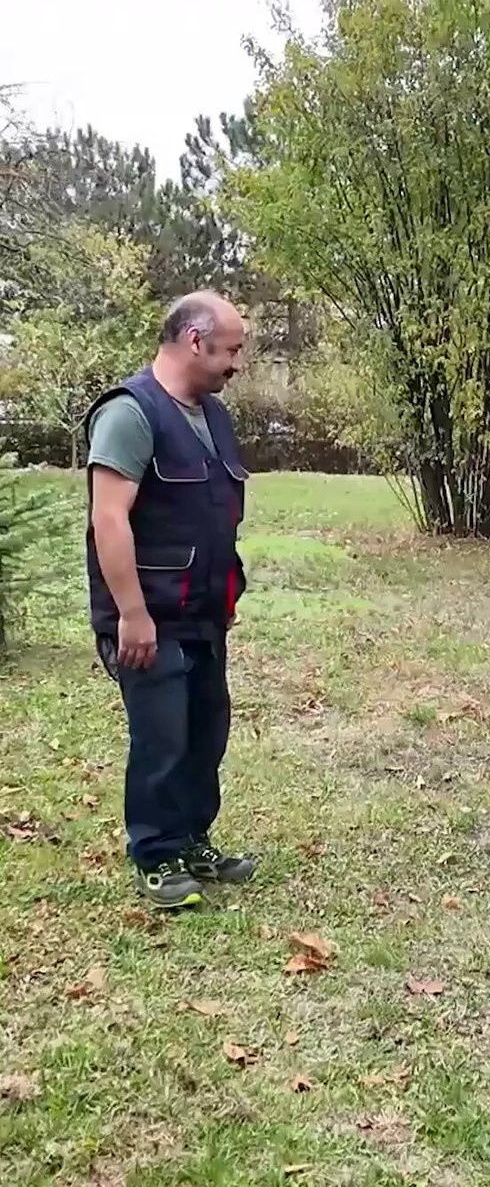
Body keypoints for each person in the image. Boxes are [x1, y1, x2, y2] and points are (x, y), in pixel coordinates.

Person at [85, 291, 256, 909]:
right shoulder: (130, 414)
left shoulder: (212, 415)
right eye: (231, 349)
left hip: (204, 611)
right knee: (161, 737)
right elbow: (109, 519)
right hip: (147, 616)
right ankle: (156, 856)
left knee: (204, 730)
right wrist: (132, 613)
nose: (237, 362)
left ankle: (190, 840)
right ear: (194, 340)